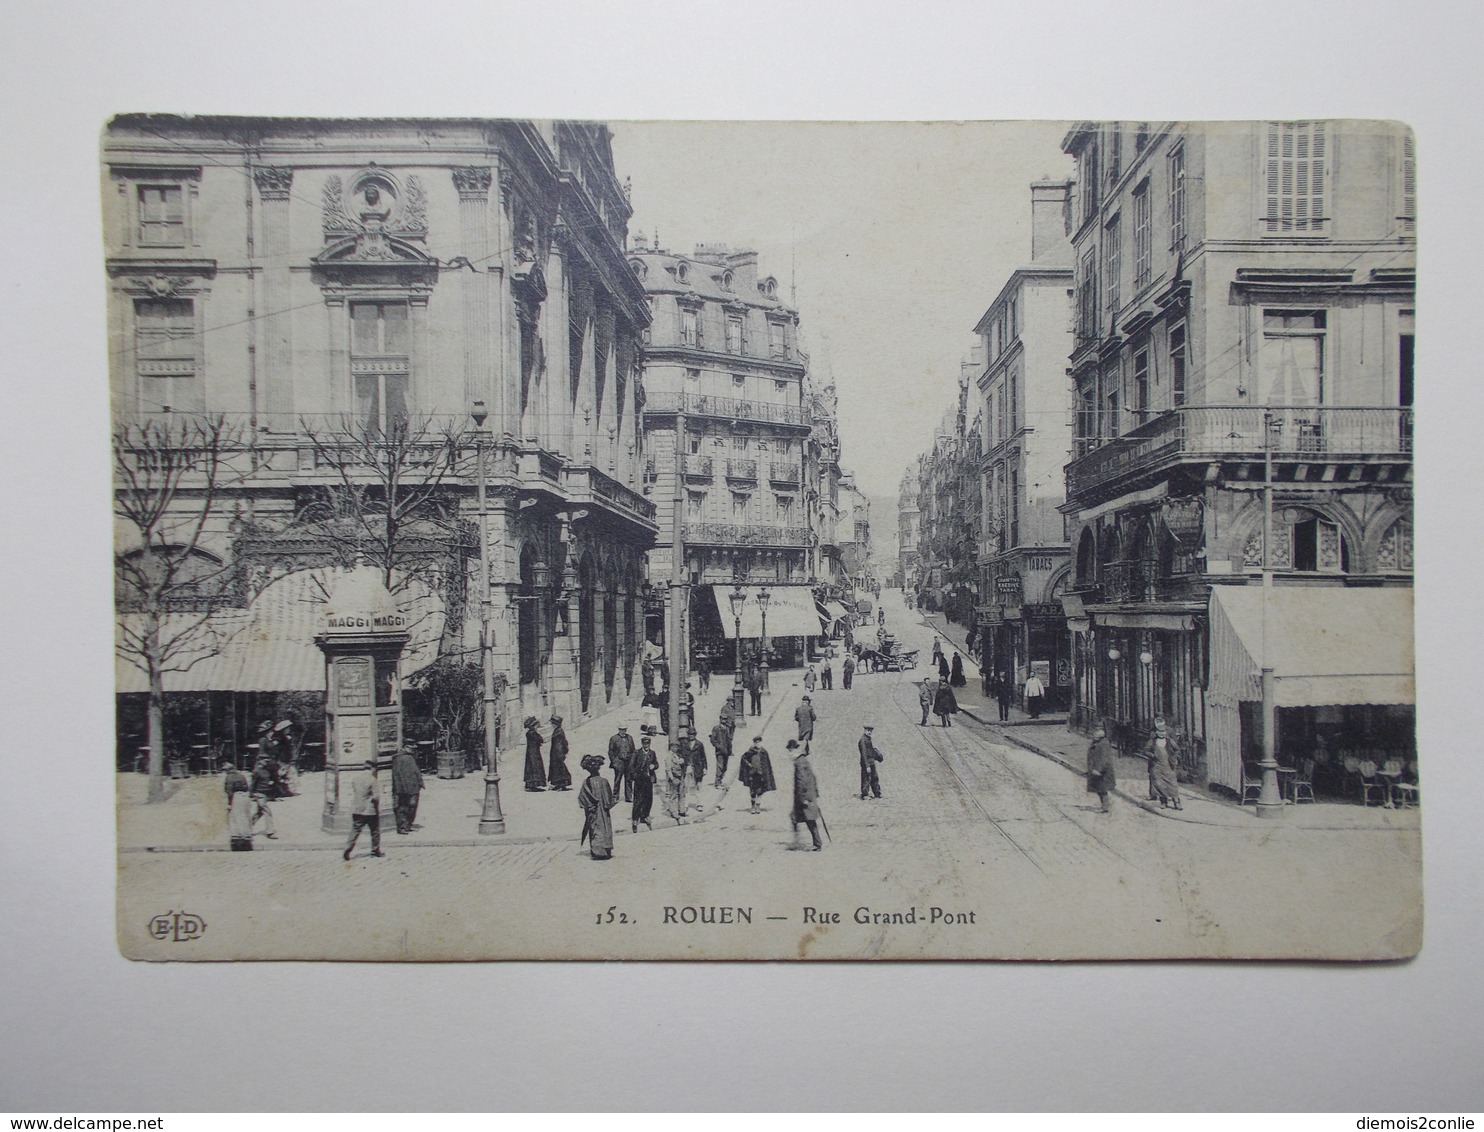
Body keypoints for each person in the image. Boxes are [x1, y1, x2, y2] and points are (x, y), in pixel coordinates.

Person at [342, 761, 384, 860]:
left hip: (357, 809)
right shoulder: (373, 780)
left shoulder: (356, 778)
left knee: (355, 830)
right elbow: (376, 796)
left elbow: (356, 791)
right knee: (374, 831)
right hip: (370, 810)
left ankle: (348, 848)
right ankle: (375, 851)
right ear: (373, 769)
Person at [577, 754, 617, 860]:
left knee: (595, 829)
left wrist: (589, 806)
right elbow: (610, 797)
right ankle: (605, 850)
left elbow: (582, 797)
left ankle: (597, 851)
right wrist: (609, 804)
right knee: (604, 829)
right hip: (603, 811)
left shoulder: (587, 782)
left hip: (594, 812)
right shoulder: (603, 781)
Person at [790, 739, 823, 851]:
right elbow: (813, 777)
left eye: (790, 751)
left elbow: (802, 781)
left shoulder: (799, 763)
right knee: (800, 818)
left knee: (806, 819)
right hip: (807, 796)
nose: (789, 754)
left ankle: (801, 841)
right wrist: (815, 793)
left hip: (803, 798)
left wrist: (804, 798)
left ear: (794, 750)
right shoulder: (803, 760)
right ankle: (813, 842)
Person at [1144, 719, 1182, 809]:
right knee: (1160, 784)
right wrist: (1151, 755)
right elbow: (1146, 750)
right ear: (1156, 732)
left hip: (1168, 766)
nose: (1162, 733)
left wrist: (1174, 757)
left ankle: (1176, 802)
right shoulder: (1153, 741)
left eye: (1163, 731)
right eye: (1160, 732)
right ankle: (1163, 802)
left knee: (1172, 784)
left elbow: (1177, 749)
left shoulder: (1169, 741)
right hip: (1157, 766)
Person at [738, 734, 777, 814]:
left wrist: (766, 774)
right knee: (752, 791)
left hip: (761, 775)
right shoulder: (751, 751)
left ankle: (758, 807)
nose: (758, 744)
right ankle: (752, 806)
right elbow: (743, 758)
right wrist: (748, 765)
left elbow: (767, 765)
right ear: (754, 743)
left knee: (760, 791)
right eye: (756, 743)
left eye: (759, 742)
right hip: (752, 774)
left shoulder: (764, 752)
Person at [390, 744, 424, 834]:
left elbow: (416, 771)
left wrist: (420, 783)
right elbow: (397, 775)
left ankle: (408, 825)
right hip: (404, 789)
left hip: (413, 787)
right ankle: (402, 827)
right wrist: (400, 788)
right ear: (405, 748)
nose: (412, 750)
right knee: (402, 808)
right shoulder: (398, 759)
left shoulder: (410, 758)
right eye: (411, 748)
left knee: (412, 807)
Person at [1085, 725, 1117, 813]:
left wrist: (1099, 769)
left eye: (1095, 733)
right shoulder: (1096, 742)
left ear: (1101, 734)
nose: (1093, 734)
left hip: (1102, 771)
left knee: (1102, 789)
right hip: (1096, 770)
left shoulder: (1104, 743)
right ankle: (1104, 806)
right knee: (1099, 789)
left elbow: (1104, 758)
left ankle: (1105, 807)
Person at [630, 735, 658, 832]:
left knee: (648, 799)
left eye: (648, 744)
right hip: (639, 779)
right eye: (645, 744)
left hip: (649, 779)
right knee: (638, 799)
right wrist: (635, 776)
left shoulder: (652, 753)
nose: (646, 746)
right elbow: (631, 766)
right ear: (642, 744)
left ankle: (645, 815)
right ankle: (635, 818)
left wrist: (653, 766)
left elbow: (657, 764)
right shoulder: (637, 753)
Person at [223, 760, 253, 851]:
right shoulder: (241, 775)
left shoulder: (229, 777)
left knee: (235, 818)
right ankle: (247, 835)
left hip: (236, 798)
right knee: (245, 816)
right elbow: (247, 787)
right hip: (245, 797)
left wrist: (229, 804)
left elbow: (229, 791)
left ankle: (238, 837)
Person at [662, 731, 690, 823]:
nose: (676, 748)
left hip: (680, 776)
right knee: (673, 795)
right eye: (675, 746)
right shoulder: (669, 756)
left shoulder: (678, 755)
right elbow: (668, 769)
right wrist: (672, 779)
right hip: (674, 777)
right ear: (671, 747)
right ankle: (674, 811)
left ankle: (681, 810)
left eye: (677, 746)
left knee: (682, 794)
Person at [249, 754, 279, 839]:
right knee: (267, 811)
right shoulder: (257, 771)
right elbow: (253, 783)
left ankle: (247, 828)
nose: (267, 762)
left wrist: (270, 783)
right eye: (265, 761)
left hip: (265, 794)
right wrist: (251, 794)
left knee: (259, 813)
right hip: (259, 794)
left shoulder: (266, 770)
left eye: (267, 761)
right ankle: (270, 832)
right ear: (260, 761)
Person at [608, 724, 636, 802]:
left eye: (625, 729)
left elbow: (633, 750)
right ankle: (615, 796)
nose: (623, 731)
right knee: (617, 779)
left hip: (628, 762)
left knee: (629, 779)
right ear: (619, 730)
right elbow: (611, 751)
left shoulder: (629, 738)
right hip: (619, 762)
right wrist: (614, 761)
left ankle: (629, 796)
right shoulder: (614, 738)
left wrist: (633, 760)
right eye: (622, 729)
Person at [677, 726, 707, 790]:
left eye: (693, 734)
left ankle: (697, 798)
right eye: (690, 734)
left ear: (695, 735)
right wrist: (680, 758)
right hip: (687, 766)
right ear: (688, 735)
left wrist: (705, 768)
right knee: (686, 785)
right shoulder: (684, 743)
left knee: (698, 786)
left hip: (697, 767)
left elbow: (703, 757)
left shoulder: (699, 744)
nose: (691, 736)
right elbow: (679, 752)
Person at [547, 715, 572, 790]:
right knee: (556, 769)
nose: (551, 725)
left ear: (555, 724)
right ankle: (558, 784)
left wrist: (561, 753)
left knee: (559, 769)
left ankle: (561, 785)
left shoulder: (559, 731)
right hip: (556, 753)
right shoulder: (557, 730)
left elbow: (561, 743)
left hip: (558, 754)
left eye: (552, 723)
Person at [858, 724, 884, 800]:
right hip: (866, 763)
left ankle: (877, 793)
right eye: (868, 730)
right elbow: (864, 754)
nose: (869, 732)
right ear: (865, 730)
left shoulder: (868, 739)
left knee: (874, 777)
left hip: (871, 761)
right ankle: (865, 794)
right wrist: (867, 765)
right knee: (866, 778)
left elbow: (871, 751)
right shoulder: (863, 740)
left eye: (871, 731)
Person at [523, 717, 546, 791]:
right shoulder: (532, 733)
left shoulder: (529, 733)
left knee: (530, 767)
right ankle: (534, 785)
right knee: (535, 767)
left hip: (531, 752)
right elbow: (540, 739)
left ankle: (530, 784)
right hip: (534, 752)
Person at [710, 716, 733, 788]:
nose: (724, 720)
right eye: (723, 719)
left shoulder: (727, 728)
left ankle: (720, 780)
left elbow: (729, 740)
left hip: (726, 751)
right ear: (720, 719)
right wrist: (719, 747)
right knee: (720, 766)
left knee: (725, 767)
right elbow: (713, 740)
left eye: (725, 719)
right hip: (720, 751)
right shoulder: (716, 728)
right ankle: (717, 783)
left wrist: (730, 750)